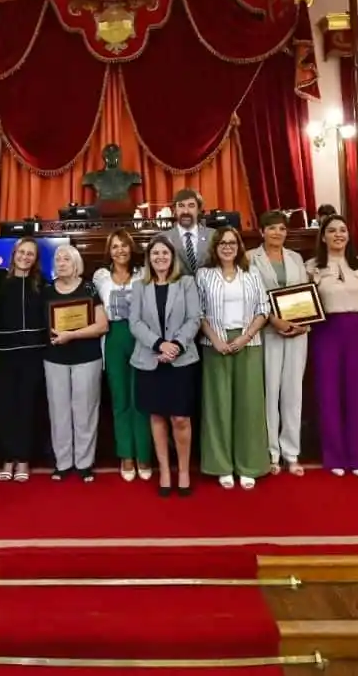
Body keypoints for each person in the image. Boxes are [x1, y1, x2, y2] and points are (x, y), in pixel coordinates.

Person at [128, 235, 202, 497]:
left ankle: (183, 471)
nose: (160, 257)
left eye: (165, 253)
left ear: (173, 257)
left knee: (180, 418)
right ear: (149, 258)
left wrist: (176, 346)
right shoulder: (139, 286)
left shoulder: (186, 283)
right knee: (157, 416)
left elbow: (194, 318)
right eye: (155, 253)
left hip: (181, 359)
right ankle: (165, 471)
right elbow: (135, 323)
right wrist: (160, 344)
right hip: (150, 359)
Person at [196, 226, 270, 489]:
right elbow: (198, 312)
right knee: (218, 406)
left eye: (232, 243)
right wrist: (216, 340)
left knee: (249, 405)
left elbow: (263, 308)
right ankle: (222, 465)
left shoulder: (252, 273)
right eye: (222, 243)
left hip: (248, 342)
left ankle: (249, 465)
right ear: (215, 247)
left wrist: (245, 337)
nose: (227, 247)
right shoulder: (204, 275)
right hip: (214, 344)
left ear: (239, 246)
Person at [306, 214, 358, 478]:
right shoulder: (311, 267)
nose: (338, 235)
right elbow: (306, 304)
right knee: (328, 393)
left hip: (355, 328)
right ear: (323, 237)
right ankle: (334, 455)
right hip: (325, 330)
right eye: (332, 230)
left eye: (343, 230)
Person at [248, 210, 309, 475]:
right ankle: (271, 452)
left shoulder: (296, 258)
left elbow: (305, 293)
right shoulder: (250, 258)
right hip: (267, 331)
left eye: (282, 228)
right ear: (262, 231)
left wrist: (304, 323)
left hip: (297, 332)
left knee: (293, 392)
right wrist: (274, 320)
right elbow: (252, 295)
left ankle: (291, 453)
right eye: (272, 228)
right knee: (270, 392)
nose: (277, 233)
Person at [43, 245, 109, 482]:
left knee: (85, 411)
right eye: (58, 259)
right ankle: (62, 463)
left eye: (66, 259)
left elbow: (102, 325)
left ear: (76, 264)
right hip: (54, 358)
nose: (61, 263)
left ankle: (84, 463)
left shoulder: (89, 287)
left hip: (86, 357)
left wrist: (71, 335)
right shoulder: (47, 290)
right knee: (58, 412)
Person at [93, 229, 152, 480]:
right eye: (115, 246)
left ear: (131, 248)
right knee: (120, 399)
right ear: (110, 251)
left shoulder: (144, 274)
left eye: (124, 245)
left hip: (141, 336)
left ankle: (144, 454)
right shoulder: (100, 277)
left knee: (141, 398)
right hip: (114, 337)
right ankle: (126, 454)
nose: (120, 251)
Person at [0, 237, 48, 482]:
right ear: (14, 254)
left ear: (35, 259)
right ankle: (7, 457)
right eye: (21, 252)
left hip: (33, 354)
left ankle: (23, 458)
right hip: (3, 355)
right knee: (5, 408)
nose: (25, 257)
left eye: (30, 254)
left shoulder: (42, 284)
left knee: (27, 407)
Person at [161, 189, 213, 275]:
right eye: (181, 206)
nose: (186, 211)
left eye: (191, 206)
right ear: (174, 209)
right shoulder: (163, 238)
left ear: (199, 210)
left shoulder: (214, 236)